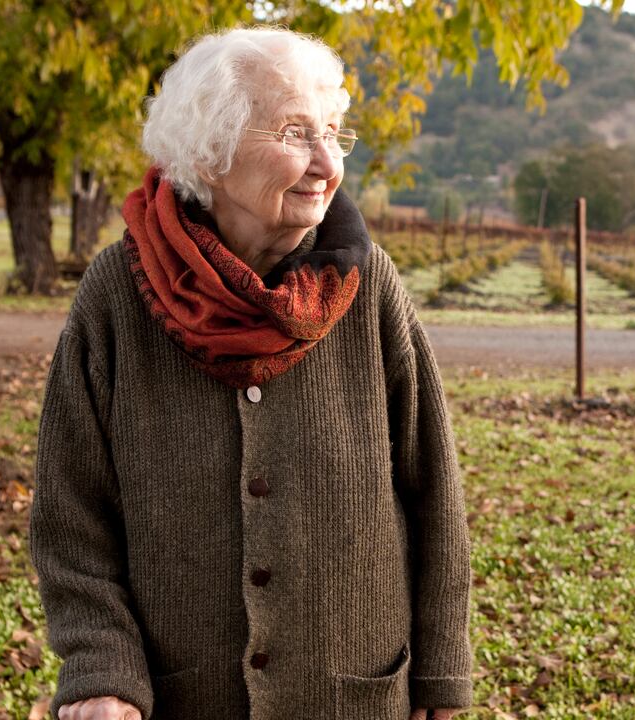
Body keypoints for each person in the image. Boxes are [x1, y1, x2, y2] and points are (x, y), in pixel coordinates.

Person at [30, 25, 472, 720]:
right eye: (296, 133)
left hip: (353, 696)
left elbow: (433, 490)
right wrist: (101, 669)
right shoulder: (118, 293)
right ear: (210, 151)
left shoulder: (369, 288)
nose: (328, 162)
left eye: (334, 132)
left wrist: (443, 676)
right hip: (182, 698)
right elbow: (71, 515)